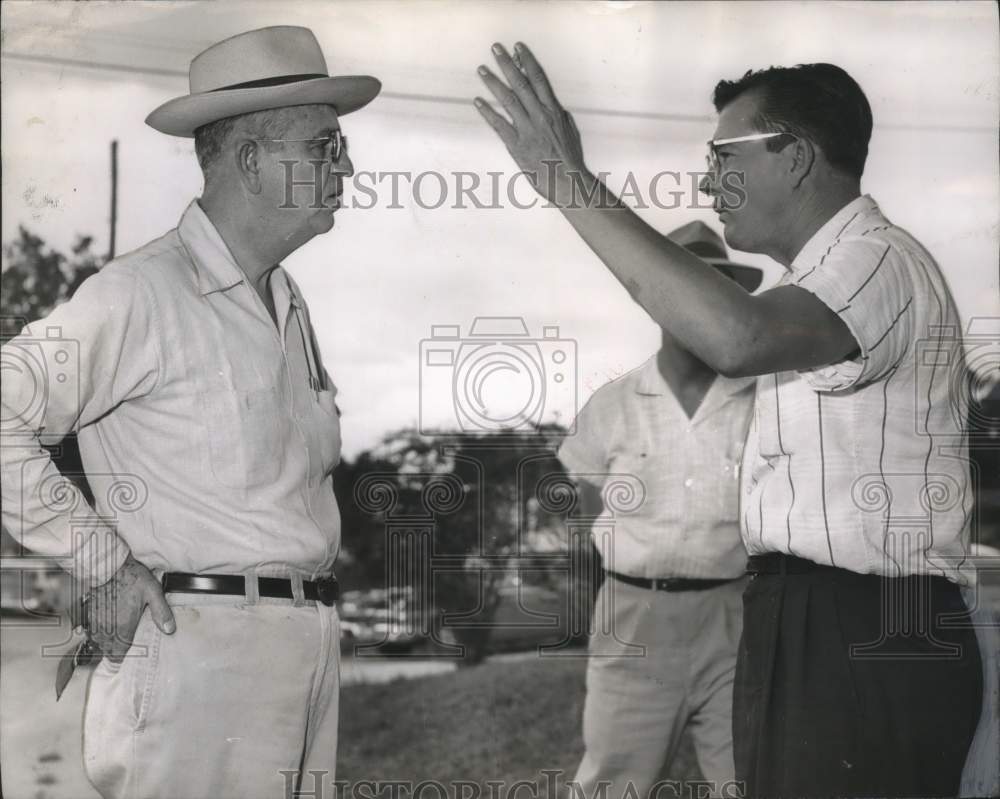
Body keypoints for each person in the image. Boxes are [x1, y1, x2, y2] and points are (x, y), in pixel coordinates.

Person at [475, 44, 982, 798]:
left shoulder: (873, 262)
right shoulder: (819, 279)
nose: (707, 179)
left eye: (723, 155)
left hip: (864, 626)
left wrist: (565, 181)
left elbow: (736, 338)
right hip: (807, 617)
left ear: (797, 157)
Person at [0, 26, 379, 799]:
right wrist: (101, 558)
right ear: (249, 161)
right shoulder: (142, 292)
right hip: (198, 659)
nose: (346, 168)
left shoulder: (284, 298)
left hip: (303, 651)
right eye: (323, 148)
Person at [558, 221, 760, 799]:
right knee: (614, 782)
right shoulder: (614, 405)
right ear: (657, 301)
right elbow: (584, 509)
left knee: (748, 776)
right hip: (635, 619)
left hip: (734, 616)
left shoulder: (764, 400)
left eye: (713, 292)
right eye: (683, 291)